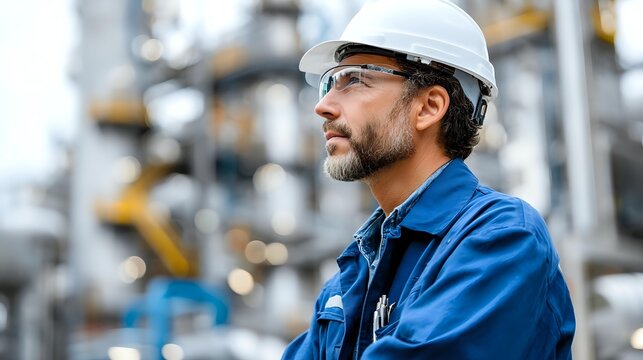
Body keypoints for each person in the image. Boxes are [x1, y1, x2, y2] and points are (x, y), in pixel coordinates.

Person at [283, 0, 575, 358]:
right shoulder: (351, 275)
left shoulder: (502, 239)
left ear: (429, 107)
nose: (323, 106)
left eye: (355, 80)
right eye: (329, 83)